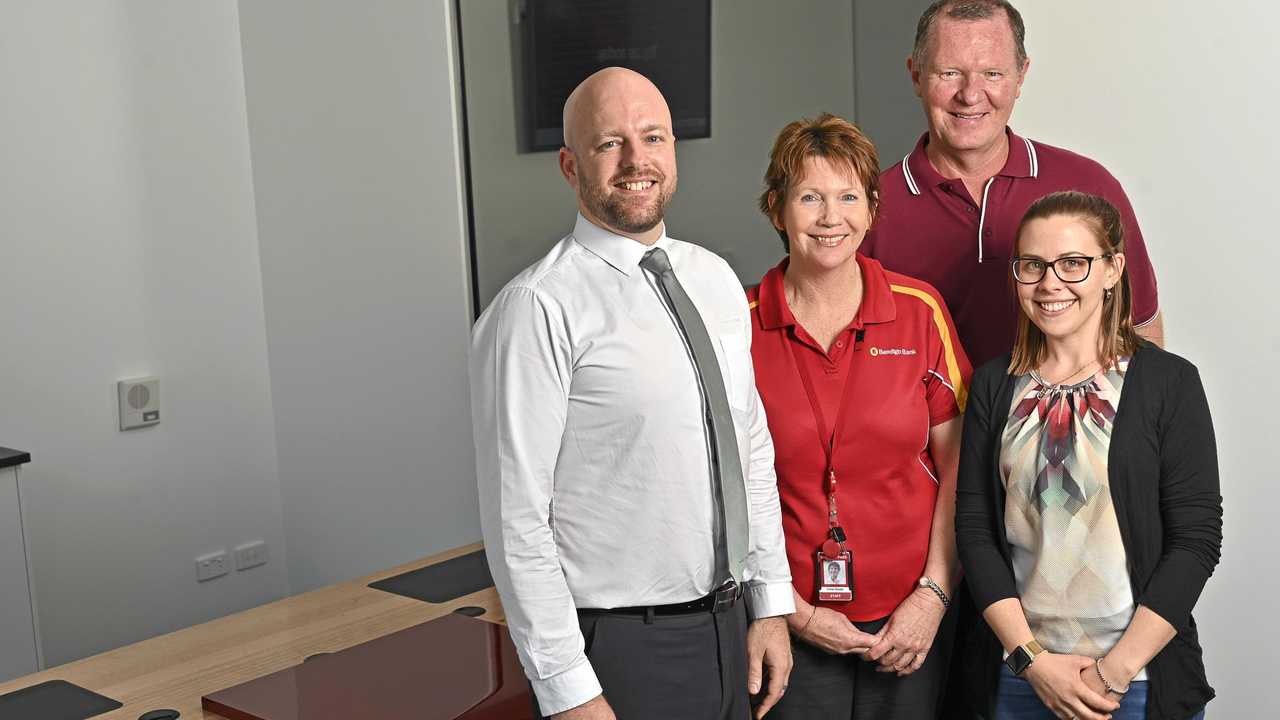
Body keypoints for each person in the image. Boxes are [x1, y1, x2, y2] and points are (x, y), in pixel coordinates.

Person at [470, 67, 794, 720]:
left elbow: (748, 444)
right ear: (569, 165)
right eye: (608, 143)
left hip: (731, 632)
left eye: (652, 138)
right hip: (620, 649)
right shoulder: (537, 308)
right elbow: (517, 520)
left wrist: (770, 603)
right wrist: (568, 689)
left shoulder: (715, 278)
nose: (636, 160)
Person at [955, 191, 1221, 719]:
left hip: (1136, 683)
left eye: (1074, 263)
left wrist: (1112, 672)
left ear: (1113, 269)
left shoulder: (1169, 383)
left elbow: (1196, 541)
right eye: (1033, 265)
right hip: (1017, 678)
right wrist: (1032, 662)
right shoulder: (992, 385)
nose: (1051, 283)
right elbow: (976, 532)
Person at [746, 112, 972, 719]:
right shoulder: (735, 322)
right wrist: (789, 609)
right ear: (776, 208)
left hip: (910, 619)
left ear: (872, 209)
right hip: (787, 616)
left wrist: (932, 595)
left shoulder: (919, 311)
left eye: (849, 196)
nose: (830, 217)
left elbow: (959, 468)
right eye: (809, 197)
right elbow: (717, 488)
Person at [861, 0, 1164, 368]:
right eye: (949, 73)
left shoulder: (1090, 186)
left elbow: (1141, 333)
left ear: (1020, 76)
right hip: (928, 427)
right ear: (916, 76)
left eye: (992, 74)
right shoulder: (865, 211)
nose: (970, 95)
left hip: (1066, 424)